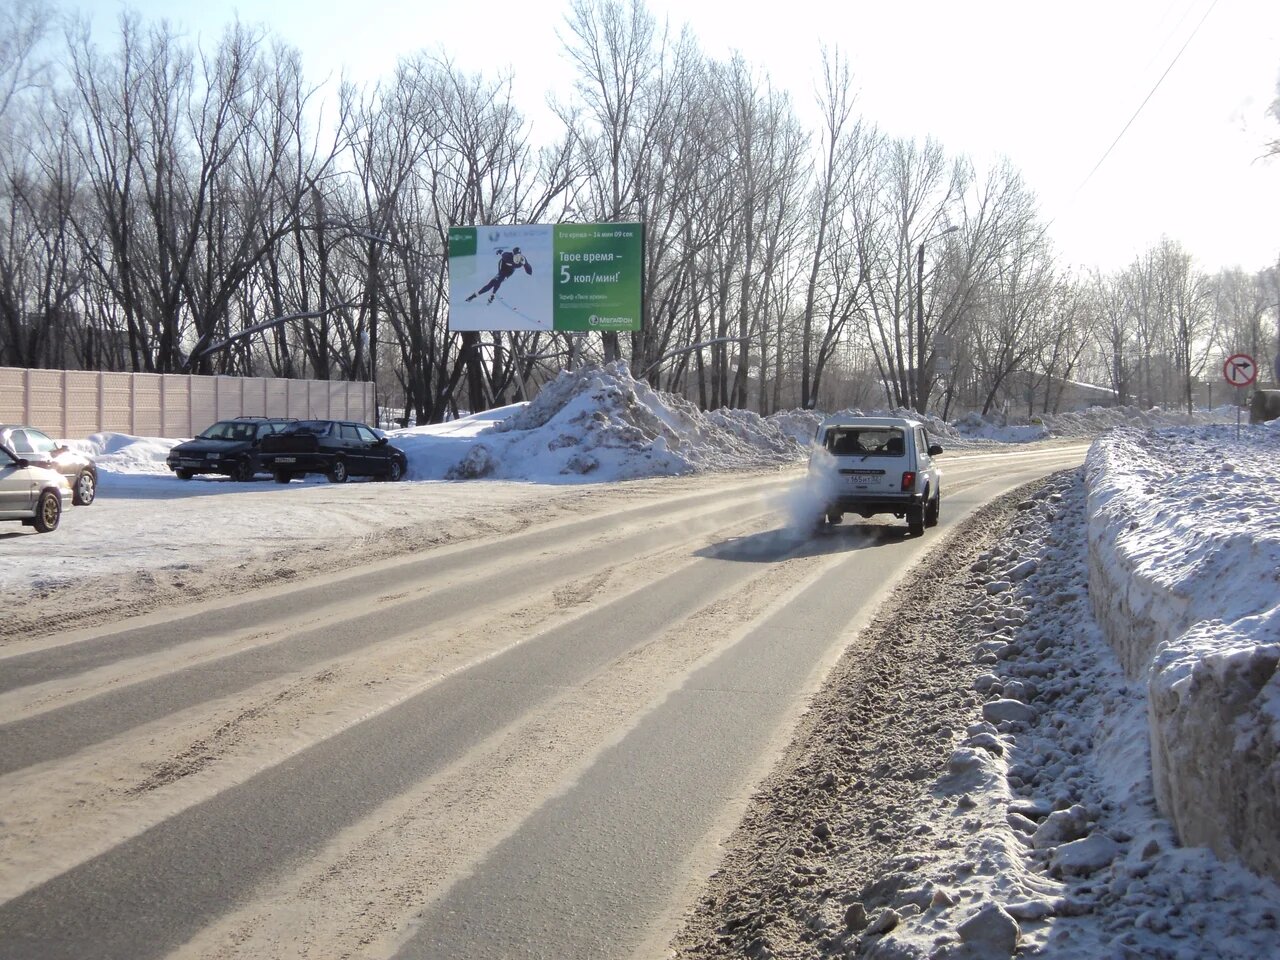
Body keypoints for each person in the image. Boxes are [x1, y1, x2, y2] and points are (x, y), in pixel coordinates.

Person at [465, 247, 533, 303]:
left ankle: (490, 294)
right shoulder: (507, 256)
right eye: (516, 255)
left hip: (510, 271)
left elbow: (529, 271)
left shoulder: (523, 260)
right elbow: (501, 252)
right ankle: (483, 295)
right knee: (495, 281)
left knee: (496, 281)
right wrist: (498, 251)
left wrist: (526, 265)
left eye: (519, 255)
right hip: (502, 267)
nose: (518, 257)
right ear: (513, 254)